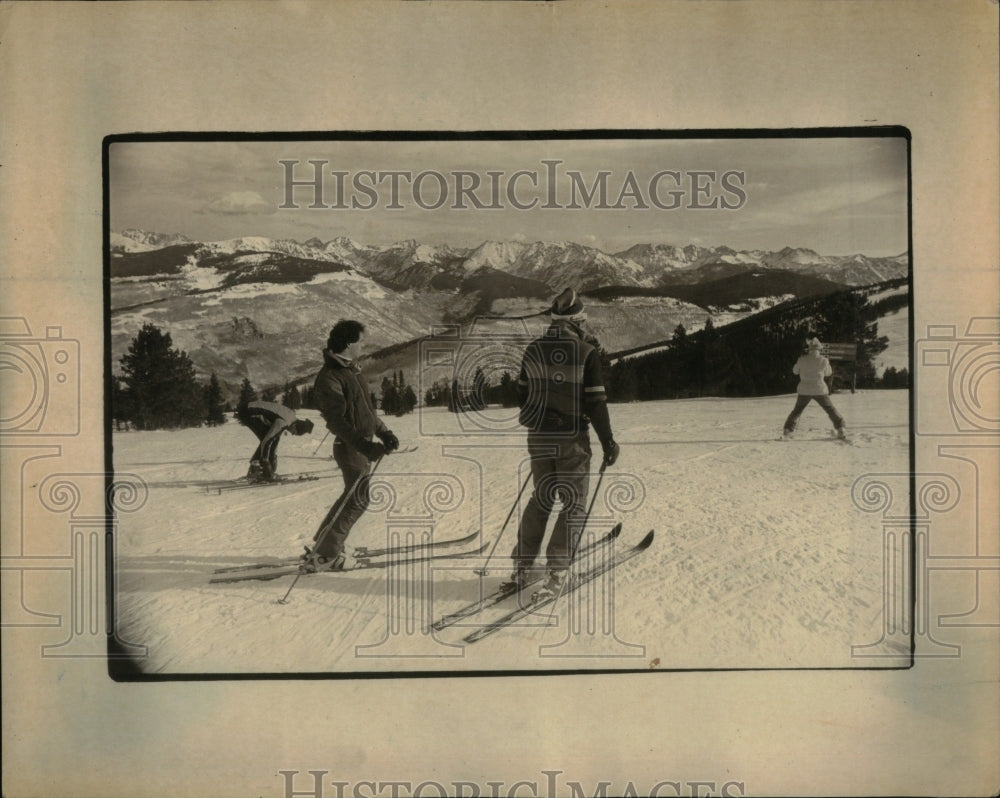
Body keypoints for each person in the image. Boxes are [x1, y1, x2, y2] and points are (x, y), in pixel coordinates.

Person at [504, 288, 620, 599]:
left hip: (538, 437)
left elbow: (521, 394)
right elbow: (596, 403)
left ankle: (522, 565)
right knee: (573, 504)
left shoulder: (533, 350)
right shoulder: (585, 352)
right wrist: (608, 441)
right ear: (578, 320)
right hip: (571, 439)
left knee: (541, 499)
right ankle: (556, 571)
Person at [303, 320, 400, 572]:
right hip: (350, 446)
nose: (364, 345)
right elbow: (337, 422)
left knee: (353, 495)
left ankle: (325, 545)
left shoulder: (351, 371)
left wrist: (384, 432)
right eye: (361, 341)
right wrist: (364, 446)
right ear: (349, 344)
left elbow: (366, 412)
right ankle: (327, 554)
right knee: (359, 498)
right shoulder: (330, 377)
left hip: (361, 444)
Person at [783, 337, 847, 439]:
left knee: (797, 410)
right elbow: (828, 373)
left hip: (804, 389)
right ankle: (840, 429)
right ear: (819, 349)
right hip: (819, 389)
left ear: (809, 349)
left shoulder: (802, 359)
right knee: (830, 409)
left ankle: (787, 430)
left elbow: (795, 371)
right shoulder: (824, 360)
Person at [236, 400, 314, 483]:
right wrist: (266, 462)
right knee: (265, 438)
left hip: (248, 408)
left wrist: (272, 459)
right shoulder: (283, 422)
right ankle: (255, 471)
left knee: (271, 437)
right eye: (294, 432)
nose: (291, 433)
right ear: (295, 426)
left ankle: (256, 470)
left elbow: (275, 438)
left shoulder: (291, 417)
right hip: (247, 411)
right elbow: (268, 440)